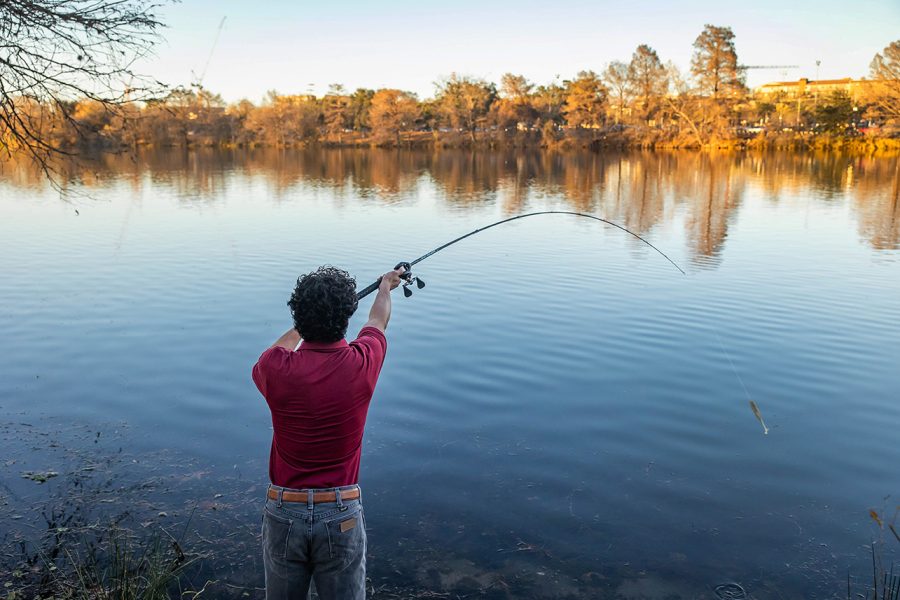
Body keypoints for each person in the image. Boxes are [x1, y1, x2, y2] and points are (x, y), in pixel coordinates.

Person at [252, 265, 404, 600]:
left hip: (284, 509)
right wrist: (384, 289)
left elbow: (274, 352)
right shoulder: (362, 363)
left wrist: (303, 325)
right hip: (341, 512)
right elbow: (377, 321)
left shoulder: (274, 368)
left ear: (299, 315)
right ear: (345, 318)